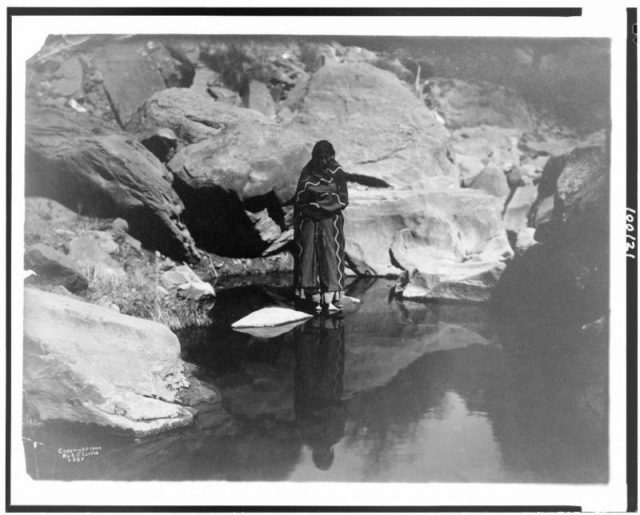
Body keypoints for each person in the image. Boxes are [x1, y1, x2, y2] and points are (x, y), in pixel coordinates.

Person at [293, 140, 349, 313]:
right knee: (308, 254)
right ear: (314, 157)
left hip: (329, 220)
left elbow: (342, 199)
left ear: (331, 156)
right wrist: (309, 209)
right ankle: (310, 295)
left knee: (330, 254)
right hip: (309, 219)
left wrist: (321, 206)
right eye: (319, 157)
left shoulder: (337, 172)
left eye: (326, 157)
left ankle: (331, 297)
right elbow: (300, 197)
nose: (323, 161)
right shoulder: (307, 171)